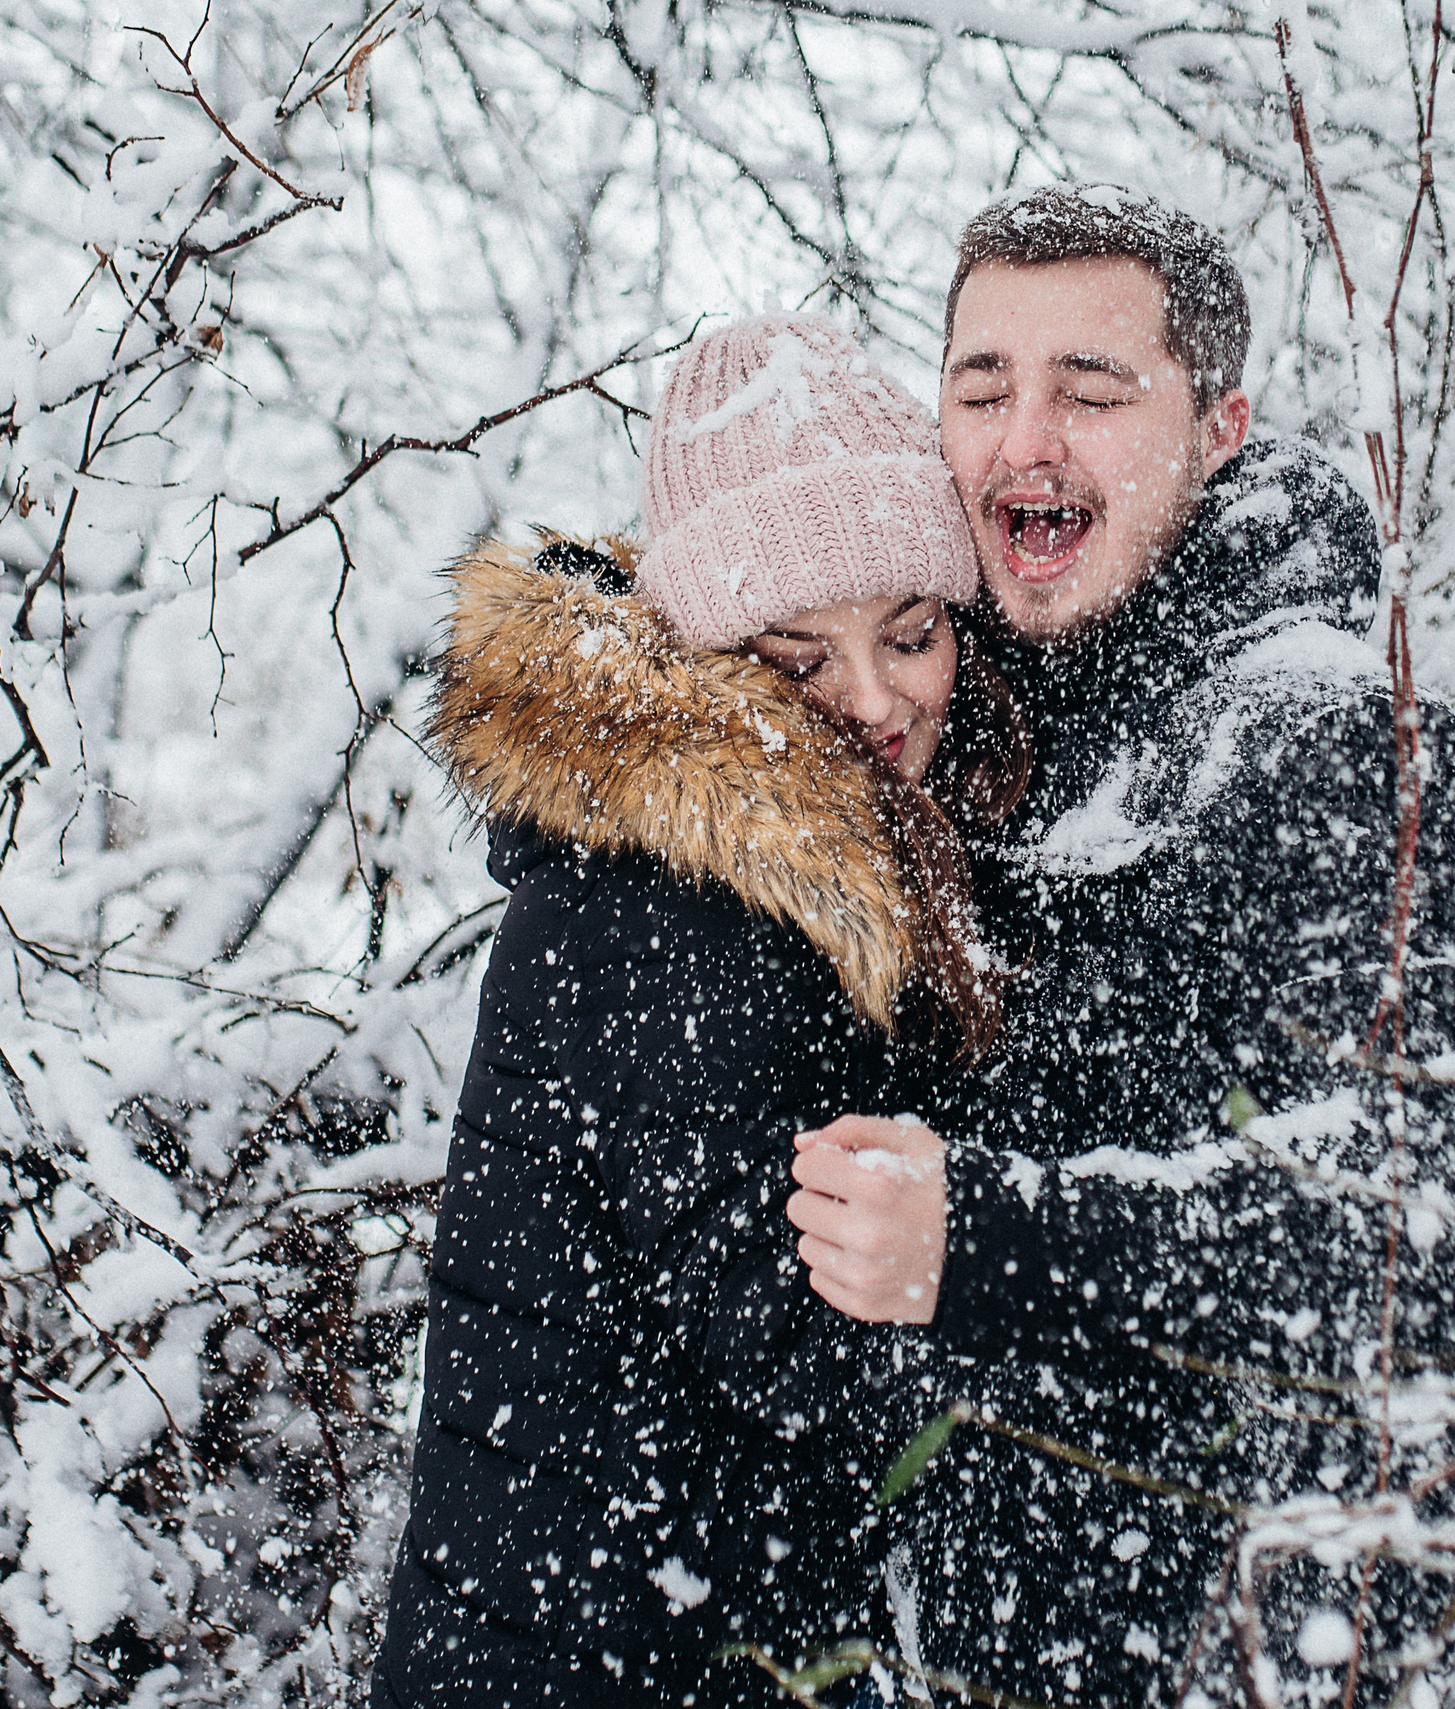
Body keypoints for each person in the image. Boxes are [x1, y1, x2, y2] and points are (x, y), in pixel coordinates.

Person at [786, 186, 1455, 1706]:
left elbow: (1414, 1237)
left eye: (1093, 392)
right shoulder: (920, 717)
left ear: (1221, 426)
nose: (1026, 442)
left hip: (1224, 1648)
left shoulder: (1345, 756)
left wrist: (987, 1241)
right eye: (983, 389)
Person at [374, 314, 1025, 1707]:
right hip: (602, 1655)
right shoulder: (674, 904)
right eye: (802, 661)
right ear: (720, 663)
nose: (874, 698)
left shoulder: (793, 862)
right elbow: (791, 1346)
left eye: (912, 634)